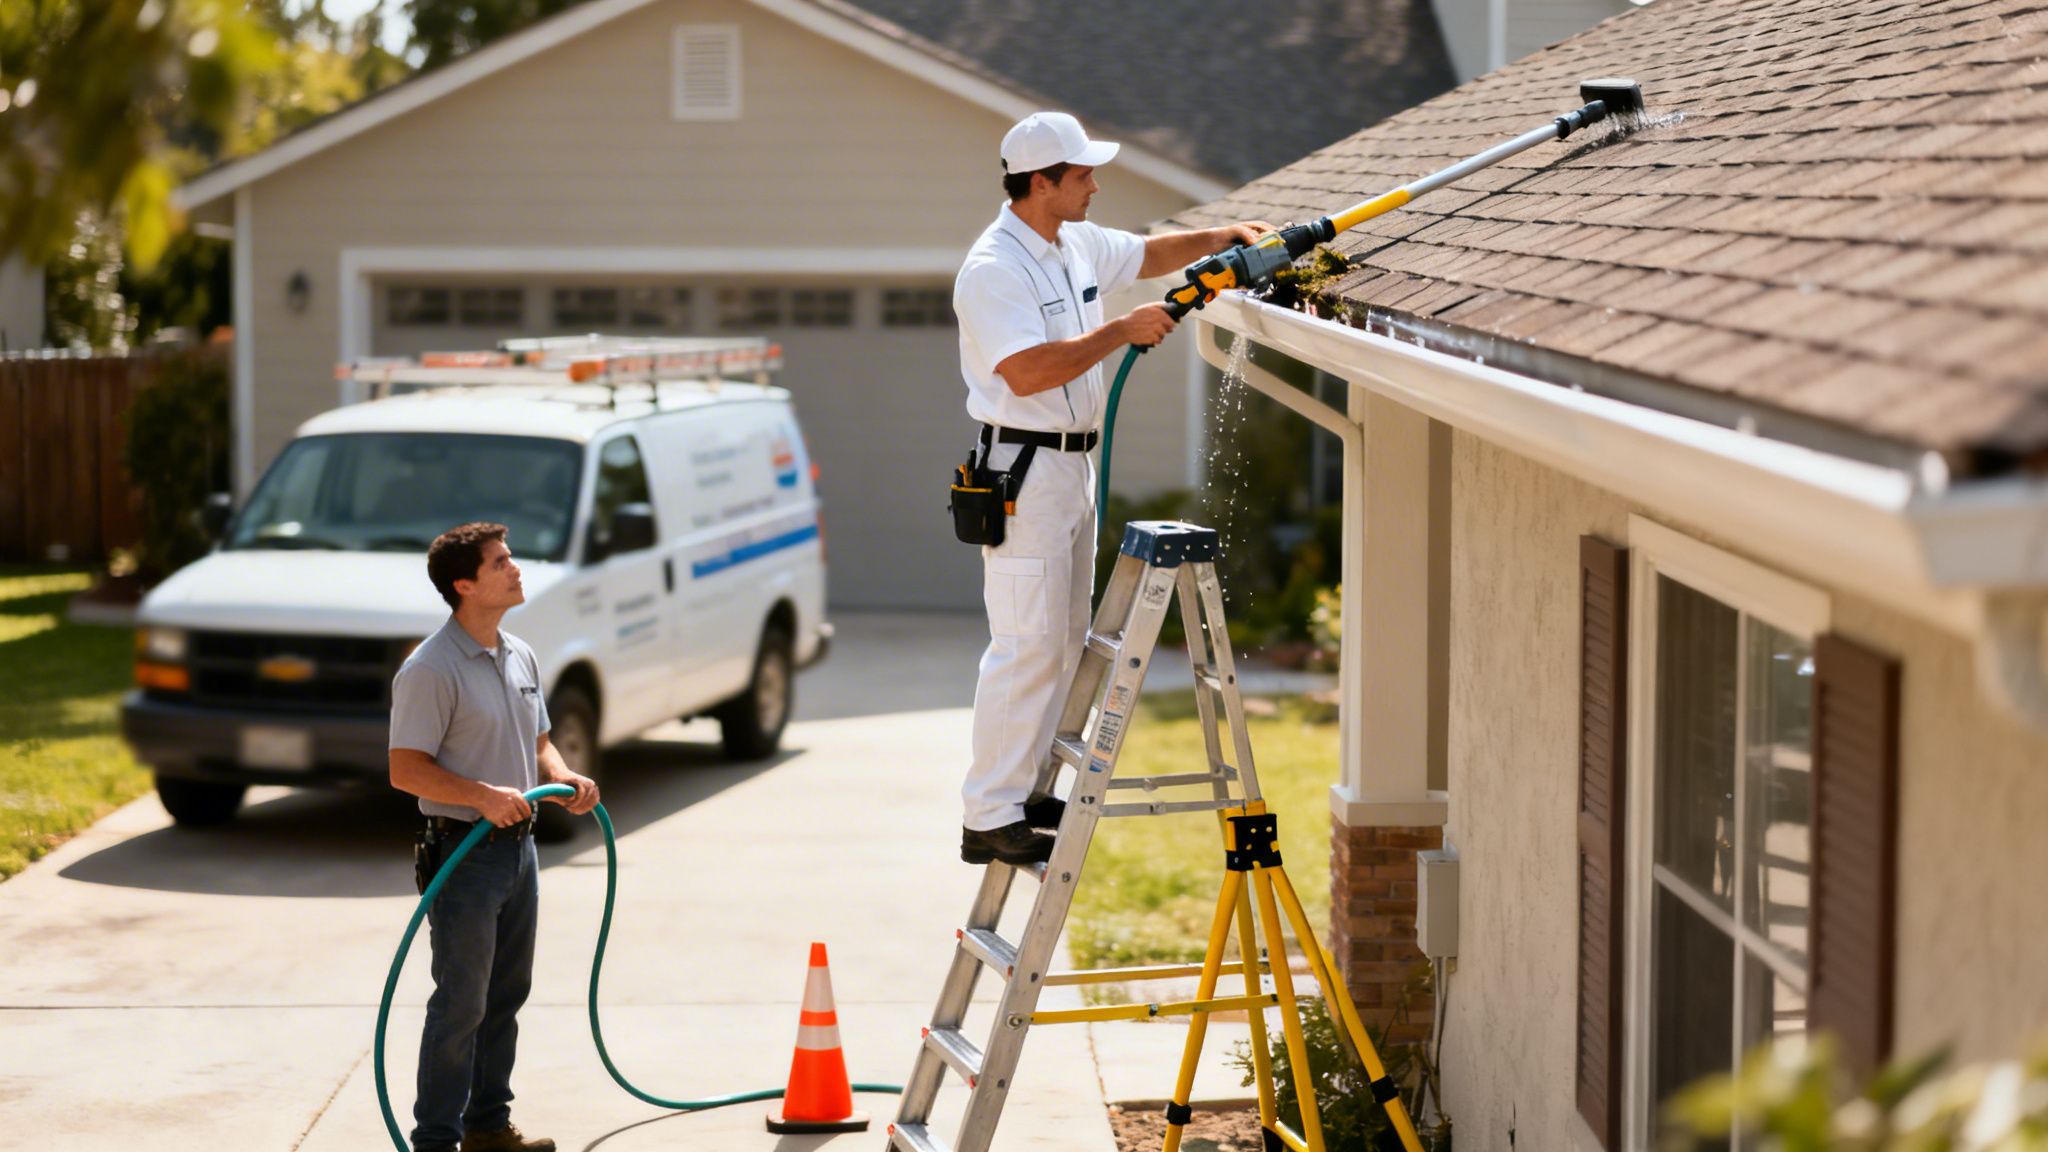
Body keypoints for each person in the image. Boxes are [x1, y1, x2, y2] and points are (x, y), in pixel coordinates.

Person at [952, 111, 1275, 866]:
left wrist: (1222, 236)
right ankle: (986, 815)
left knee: (1061, 642)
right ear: (1042, 183)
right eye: (1082, 175)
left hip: (1069, 467)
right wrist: (1119, 332)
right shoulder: (994, 268)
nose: (1095, 185)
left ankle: (1024, 793)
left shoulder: (1071, 243)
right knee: (1024, 644)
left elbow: (1147, 251)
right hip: (1022, 473)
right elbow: (1026, 371)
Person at [389, 522, 600, 1152]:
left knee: (506, 995)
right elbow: (406, 769)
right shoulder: (429, 669)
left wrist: (562, 775)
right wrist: (482, 796)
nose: (515, 568)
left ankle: (487, 1128)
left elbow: (537, 741)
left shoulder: (520, 654)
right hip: (463, 854)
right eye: (500, 562)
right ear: (464, 585)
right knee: (461, 1005)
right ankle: (435, 1141)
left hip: (519, 850)